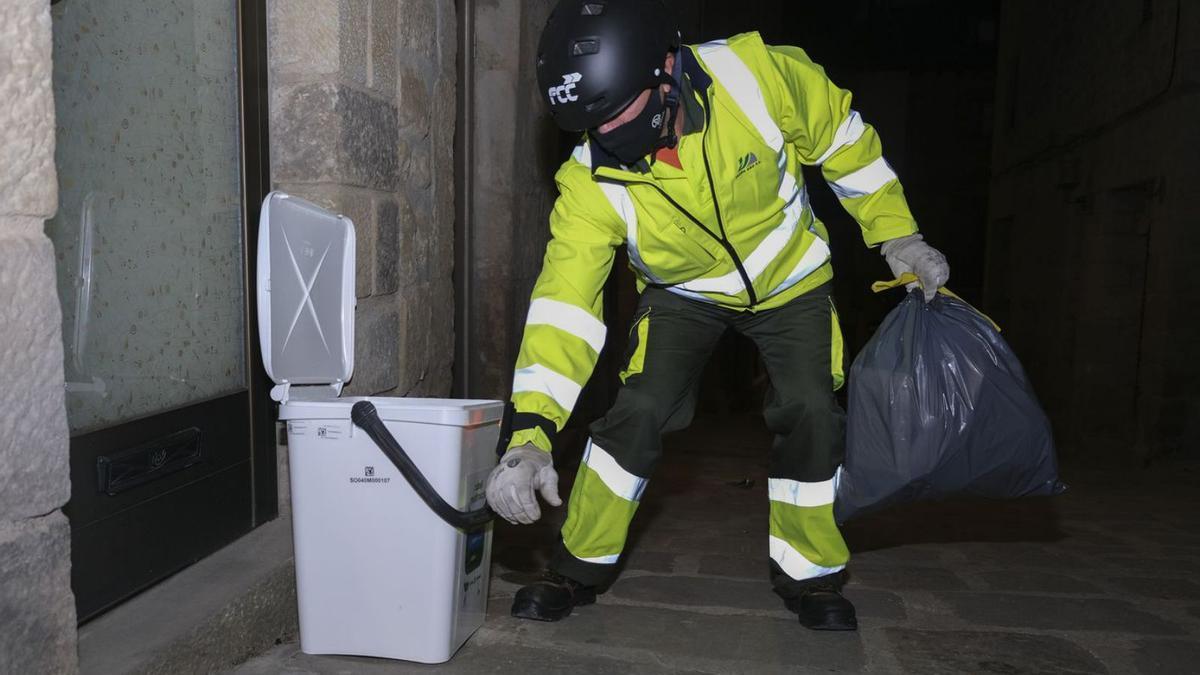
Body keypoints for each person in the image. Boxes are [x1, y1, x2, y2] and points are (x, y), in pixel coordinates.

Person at [485, 0, 949, 631]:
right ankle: (576, 566)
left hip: (790, 280)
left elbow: (846, 145)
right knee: (639, 409)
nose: (613, 141)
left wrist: (896, 236)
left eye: (624, 115)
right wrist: (529, 438)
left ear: (667, 68)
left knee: (813, 409)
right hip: (684, 293)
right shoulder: (590, 181)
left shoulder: (759, 77)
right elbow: (564, 306)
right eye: (596, 129)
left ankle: (810, 577)